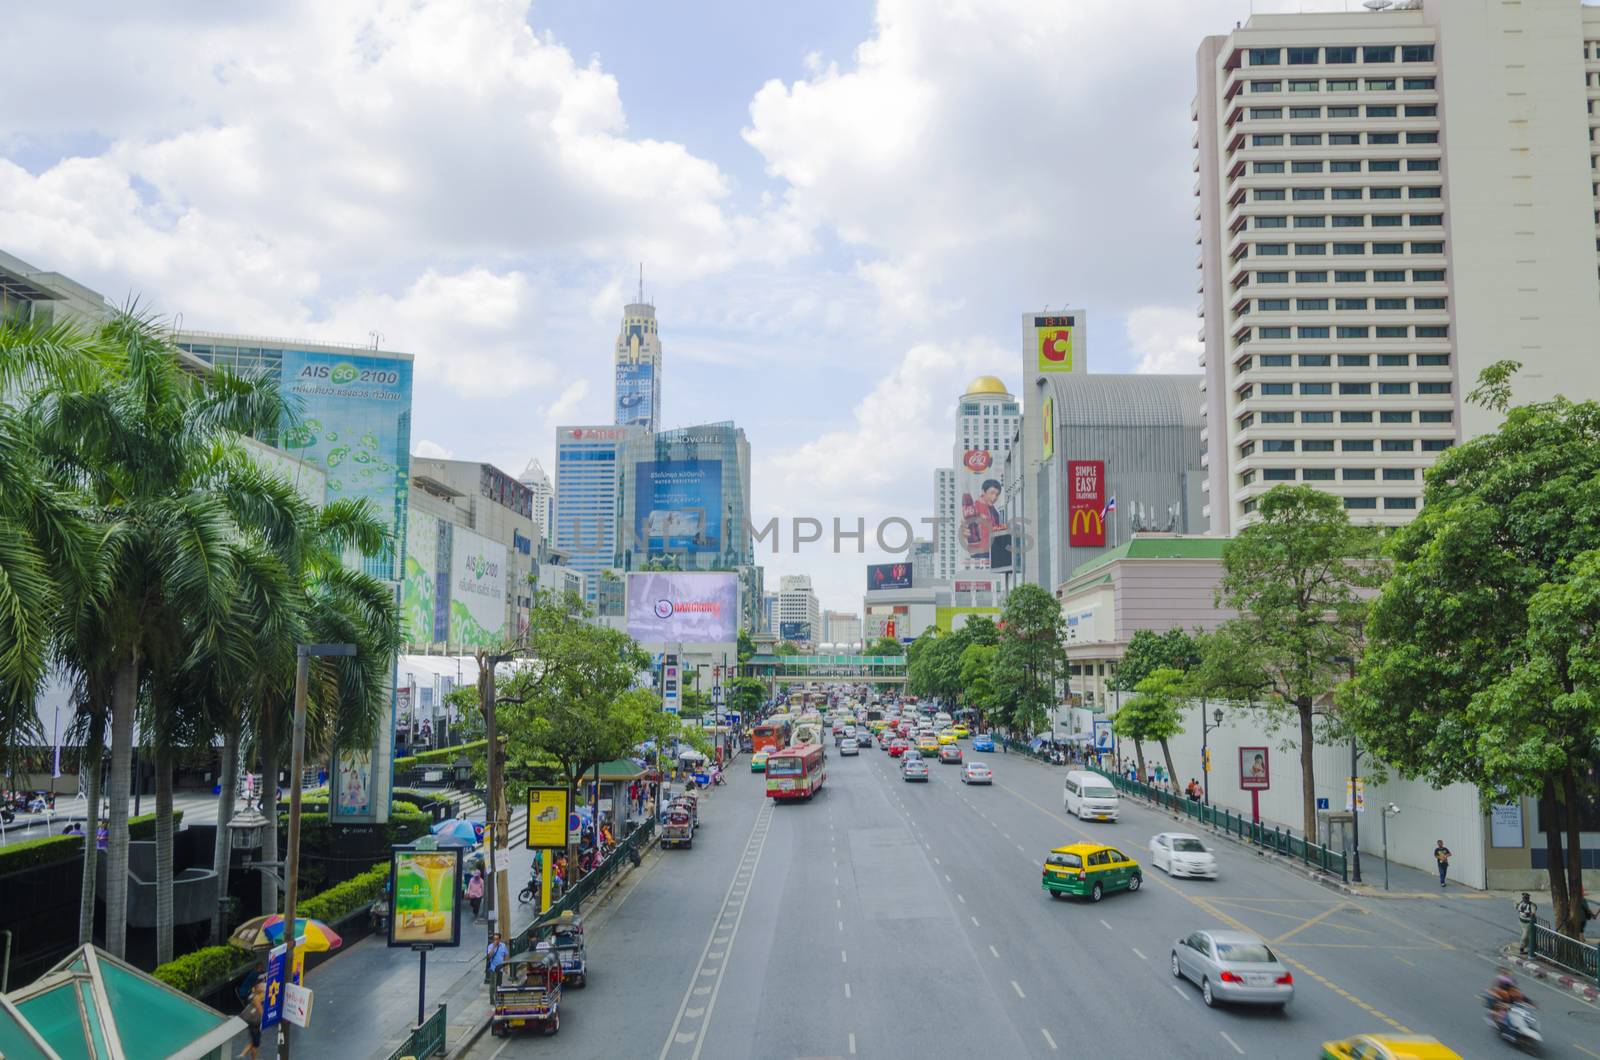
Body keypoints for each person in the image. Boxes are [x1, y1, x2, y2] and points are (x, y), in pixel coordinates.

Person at [240, 980, 265, 1059]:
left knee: (254, 1040)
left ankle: (243, 1053)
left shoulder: (253, 995)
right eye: (261, 986)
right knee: (255, 1043)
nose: (263, 987)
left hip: (252, 1021)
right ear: (257, 988)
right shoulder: (257, 998)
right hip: (255, 1022)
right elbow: (261, 1011)